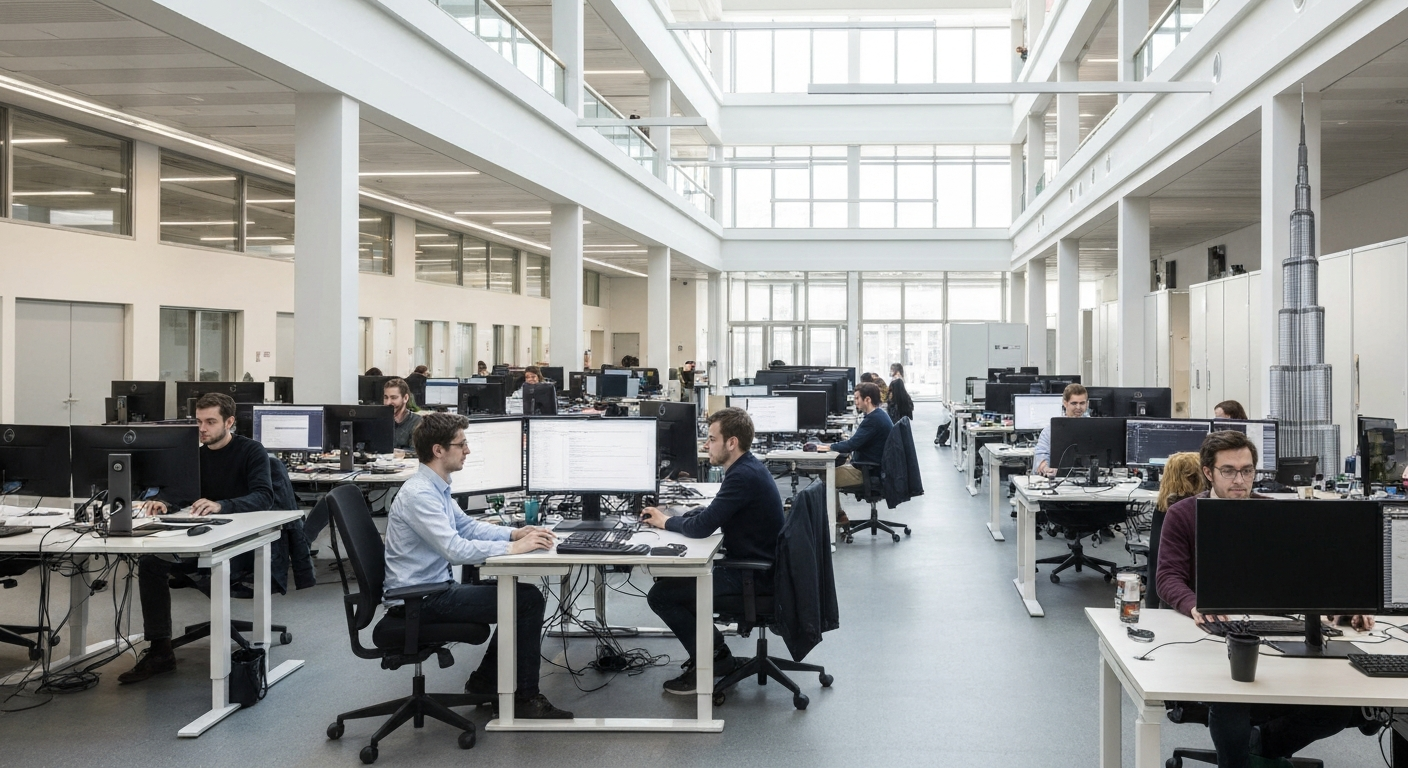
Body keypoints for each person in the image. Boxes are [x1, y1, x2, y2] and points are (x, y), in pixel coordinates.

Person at [1157, 431, 1369, 768]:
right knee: (1232, 702)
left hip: (1279, 629)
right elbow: (1167, 578)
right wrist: (1195, 604)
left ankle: (1262, 748)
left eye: (1247, 470)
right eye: (1229, 471)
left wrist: (1343, 608)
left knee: (1338, 708)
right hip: (1217, 635)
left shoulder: (1274, 513)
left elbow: (1312, 576)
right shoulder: (1184, 514)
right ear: (1209, 472)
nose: (1240, 480)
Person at [383, 412, 572, 719]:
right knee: (526, 601)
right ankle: (523, 697)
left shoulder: (435, 486)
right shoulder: (419, 495)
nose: (467, 450)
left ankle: (485, 681)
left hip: (432, 590)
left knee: (518, 596)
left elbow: (467, 527)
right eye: (462, 444)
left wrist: (514, 532)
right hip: (420, 598)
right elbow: (455, 549)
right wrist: (513, 548)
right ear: (438, 450)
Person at [119, 392, 276, 684]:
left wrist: (222, 505)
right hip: (200, 536)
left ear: (229, 422)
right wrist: (164, 502)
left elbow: (264, 497)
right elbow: (180, 492)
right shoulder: (193, 455)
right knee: (151, 562)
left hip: (240, 544)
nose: (202, 428)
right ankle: (161, 650)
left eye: (210, 422)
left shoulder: (251, 451)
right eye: (199, 421)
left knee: (199, 562)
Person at [640, 407, 783, 695]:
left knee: (663, 596)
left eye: (712, 439)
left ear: (732, 442)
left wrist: (665, 520)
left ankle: (712, 661)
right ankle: (717, 656)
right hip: (755, 564)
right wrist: (690, 516)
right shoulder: (746, 468)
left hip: (753, 574)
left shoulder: (742, 476)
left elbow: (702, 528)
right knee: (675, 584)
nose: (706, 445)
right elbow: (716, 514)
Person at [1147, 451, 1203, 608]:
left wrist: (1151, 607)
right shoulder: (1201, 511)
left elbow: (1155, 567)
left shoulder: (1164, 510)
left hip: (1172, 599)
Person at [1033, 383, 1090, 477]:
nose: (1078, 407)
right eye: (1074, 403)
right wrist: (1046, 468)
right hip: (1060, 481)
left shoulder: (1095, 428)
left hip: (1090, 480)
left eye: (1082, 403)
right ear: (1065, 403)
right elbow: (1041, 456)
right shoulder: (1050, 430)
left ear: (1087, 404)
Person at [383, 378, 421, 455]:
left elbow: (415, 452)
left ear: (405, 398)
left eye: (393, 398)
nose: (388, 402)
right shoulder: (378, 421)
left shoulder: (417, 422)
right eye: (386, 397)